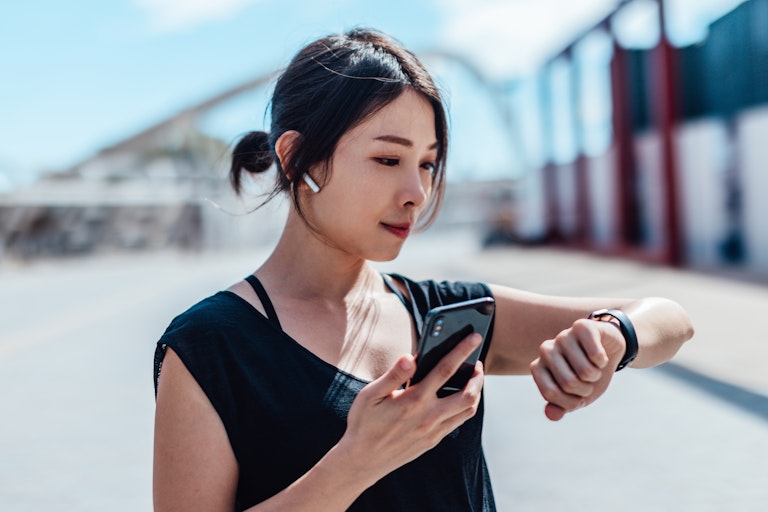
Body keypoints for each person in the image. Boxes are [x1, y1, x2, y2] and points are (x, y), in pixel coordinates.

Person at [152, 28, 694, 512]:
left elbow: (670, 322)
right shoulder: (209, 347)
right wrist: (356, 463)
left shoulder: (448, 316)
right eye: (389, 159)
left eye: (428, 163)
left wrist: (611, 338)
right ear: (295, 159)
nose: (416, 193)